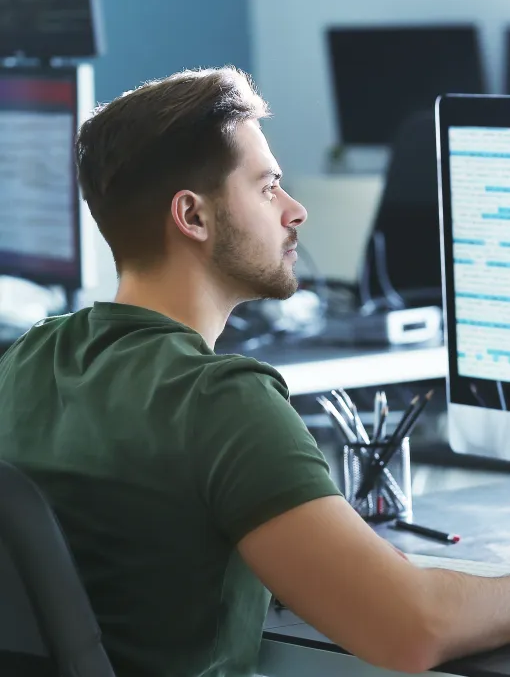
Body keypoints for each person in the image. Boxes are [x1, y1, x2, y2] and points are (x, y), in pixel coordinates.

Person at [0, 66, 509, 677]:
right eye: (268, 188)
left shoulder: (27, 357)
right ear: (193, 216)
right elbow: (414, 628)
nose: (295, 211)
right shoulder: (221, 400)